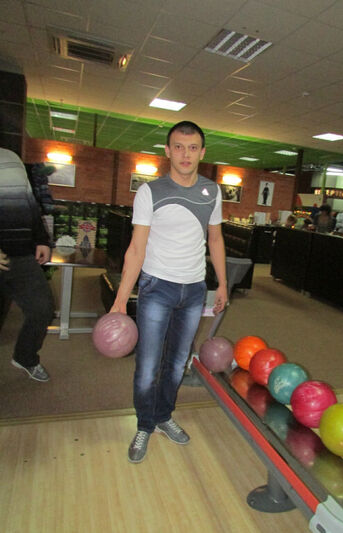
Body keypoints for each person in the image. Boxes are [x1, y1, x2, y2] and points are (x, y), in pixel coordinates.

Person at [110, 121, 228, 464]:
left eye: (192, 148)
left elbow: (215, 239)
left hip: (194, 289)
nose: (185, 154)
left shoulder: (212, 191)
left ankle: (163, 416)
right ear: (167, 151)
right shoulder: (150, 192)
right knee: (148, 365)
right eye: (178, 147)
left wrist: (222, 283)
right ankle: (144, 424)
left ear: (202, 152)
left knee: (177, 363)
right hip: (157, 287)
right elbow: (136, 248)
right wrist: (120, 300)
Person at [0, 148, 54, 382]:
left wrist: (41, 239)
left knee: (42, 309)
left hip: (21, 255)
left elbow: (29, 203)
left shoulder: (11, 158)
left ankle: (25, 357)